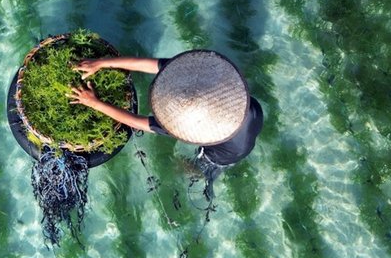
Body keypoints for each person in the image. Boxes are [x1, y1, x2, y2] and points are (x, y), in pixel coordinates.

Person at [68, 50, 263, 196]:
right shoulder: (238, 98)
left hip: (225, 155)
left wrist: (93, 102)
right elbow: (147, 64)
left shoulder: (186, 117)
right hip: (252, 121)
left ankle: (200, 174)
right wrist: (101, 63)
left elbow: (134, 121)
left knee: (195, 169)